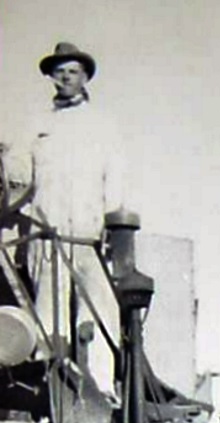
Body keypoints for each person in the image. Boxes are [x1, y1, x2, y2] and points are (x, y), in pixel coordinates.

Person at [3, 41, 126, 392]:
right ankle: (52, 388)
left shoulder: (103, 124)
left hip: (90, 235)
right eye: (60, 72)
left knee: (97, 309)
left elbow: (115, 175)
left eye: (73, 71)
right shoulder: (36, 125)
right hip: (47, 232)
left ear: (85, 77)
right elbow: (17, 177)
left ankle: (101, 388)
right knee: (48, 312)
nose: (67, 77)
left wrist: (112, 222)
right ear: (52, 77)